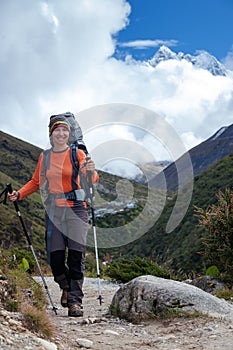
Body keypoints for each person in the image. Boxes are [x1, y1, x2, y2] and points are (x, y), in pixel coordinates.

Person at [8, 114, 98, 317]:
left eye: (65, 130)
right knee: (54, 256)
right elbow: (36, 182)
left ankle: (75, 302)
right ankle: (65, 286)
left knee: (76, 255)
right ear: (51, 133)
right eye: (57, 130)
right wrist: (19, 194)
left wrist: (92, 171)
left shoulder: (78, 154)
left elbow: (91, 180)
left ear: (69, 133)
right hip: (54, 211)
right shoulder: (45, 156)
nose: (61, 133)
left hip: (76, 208)